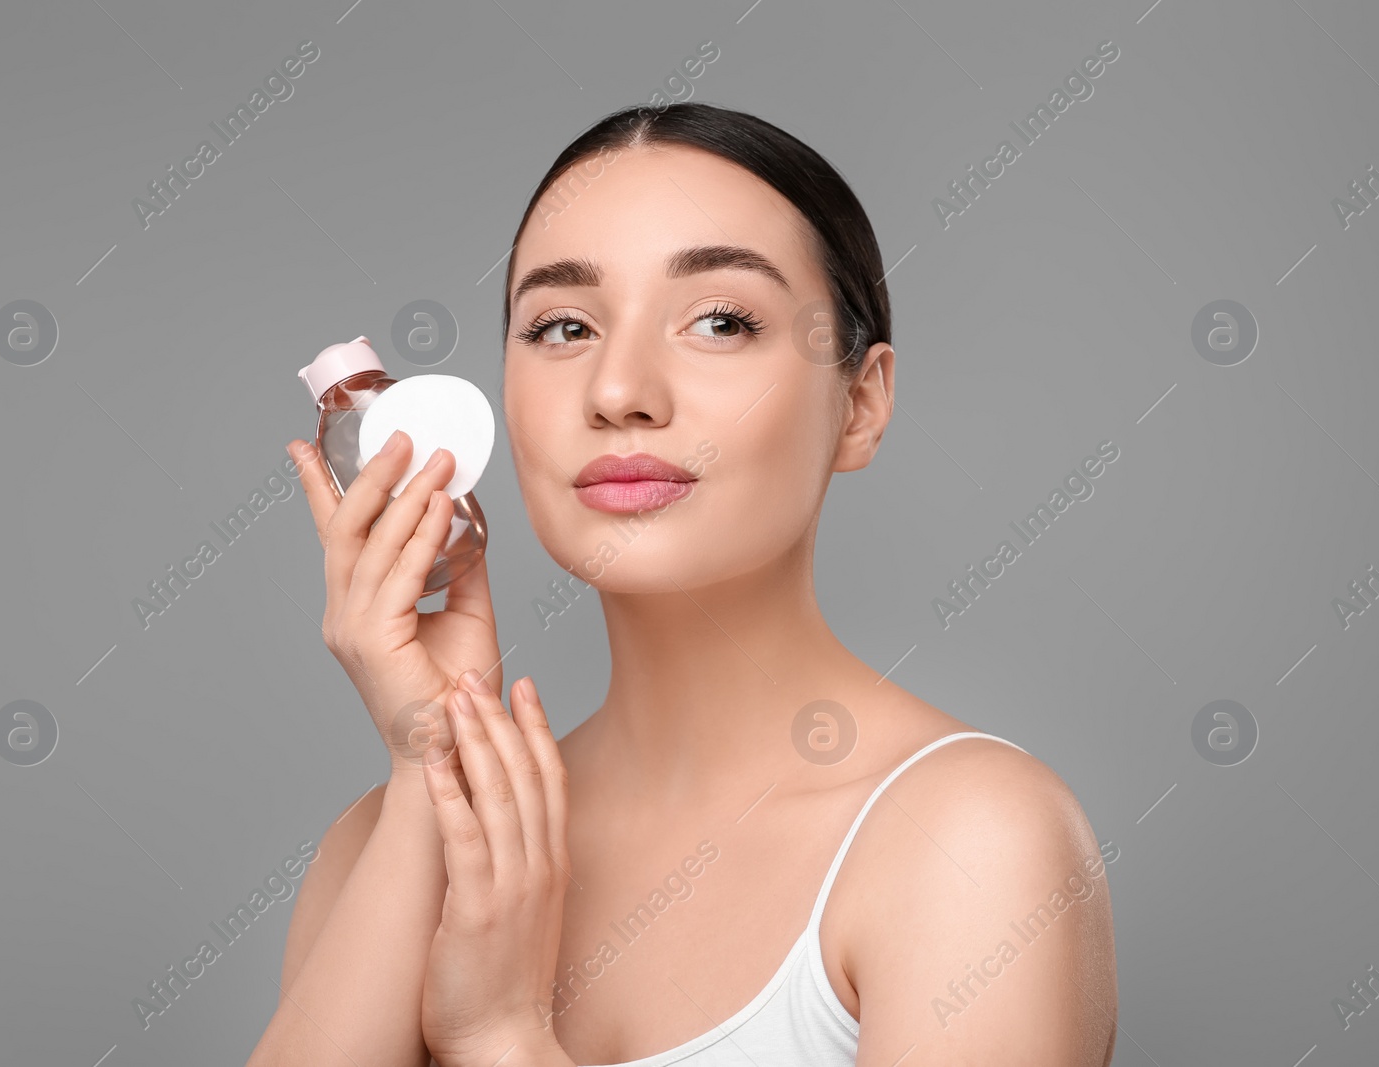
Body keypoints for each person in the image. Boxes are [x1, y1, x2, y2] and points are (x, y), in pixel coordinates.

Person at [248, 101, 1117, 1067]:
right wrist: (434, 757)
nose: (619, 389)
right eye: (564, 325)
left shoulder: (973, 842)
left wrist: (502, 1037)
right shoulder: (382, 844)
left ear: (860, 405)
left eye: (719, 319)